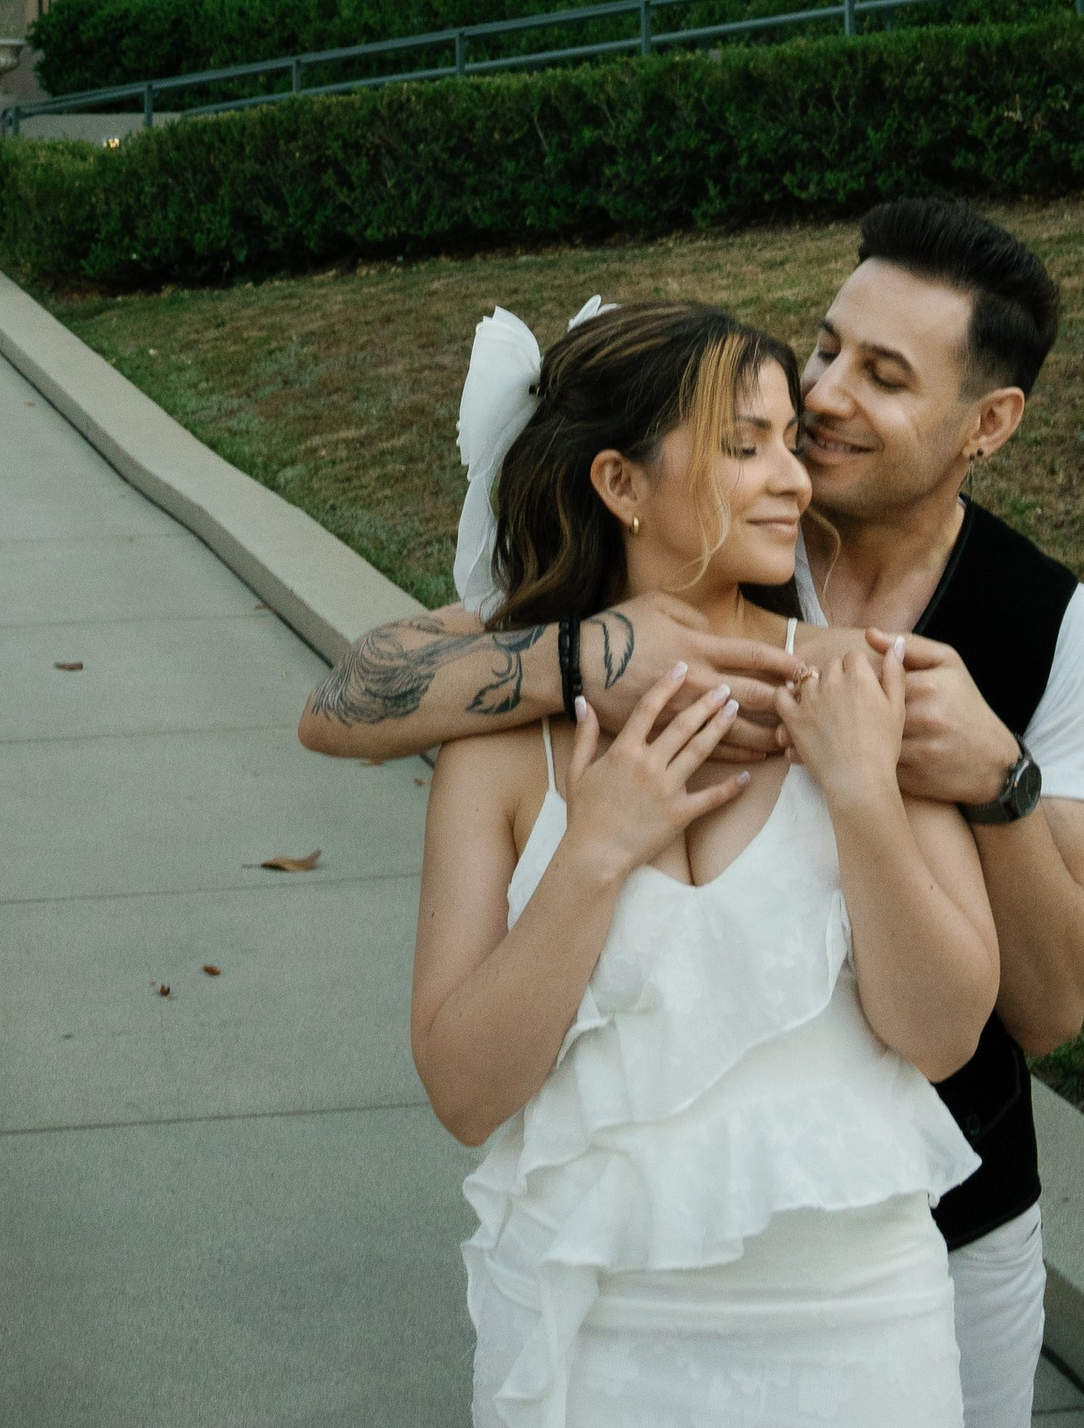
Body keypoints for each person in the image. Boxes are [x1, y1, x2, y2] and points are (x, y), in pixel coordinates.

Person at [304, 198, 1084, 1428]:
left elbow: (1015, 1015)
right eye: (821, 358)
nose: (819, 420)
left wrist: (941, 782)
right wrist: (585, 712)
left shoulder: (969, 656)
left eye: (881, 376)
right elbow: (342, 703)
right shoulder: (537, 688)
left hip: (894, 1266)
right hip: (598, 1306)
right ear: (622, 485)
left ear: (986, 423)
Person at [412, 297, 993, 1425]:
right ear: (620, 484)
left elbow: (942, 1033)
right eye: (744, 447)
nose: (794, 480)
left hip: (857, 1328)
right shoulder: (503, 744)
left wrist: (862, 795)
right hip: (593, 1328)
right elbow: (465, 1093)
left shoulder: (872, 683)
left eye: (790, 444)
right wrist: (593, 855)